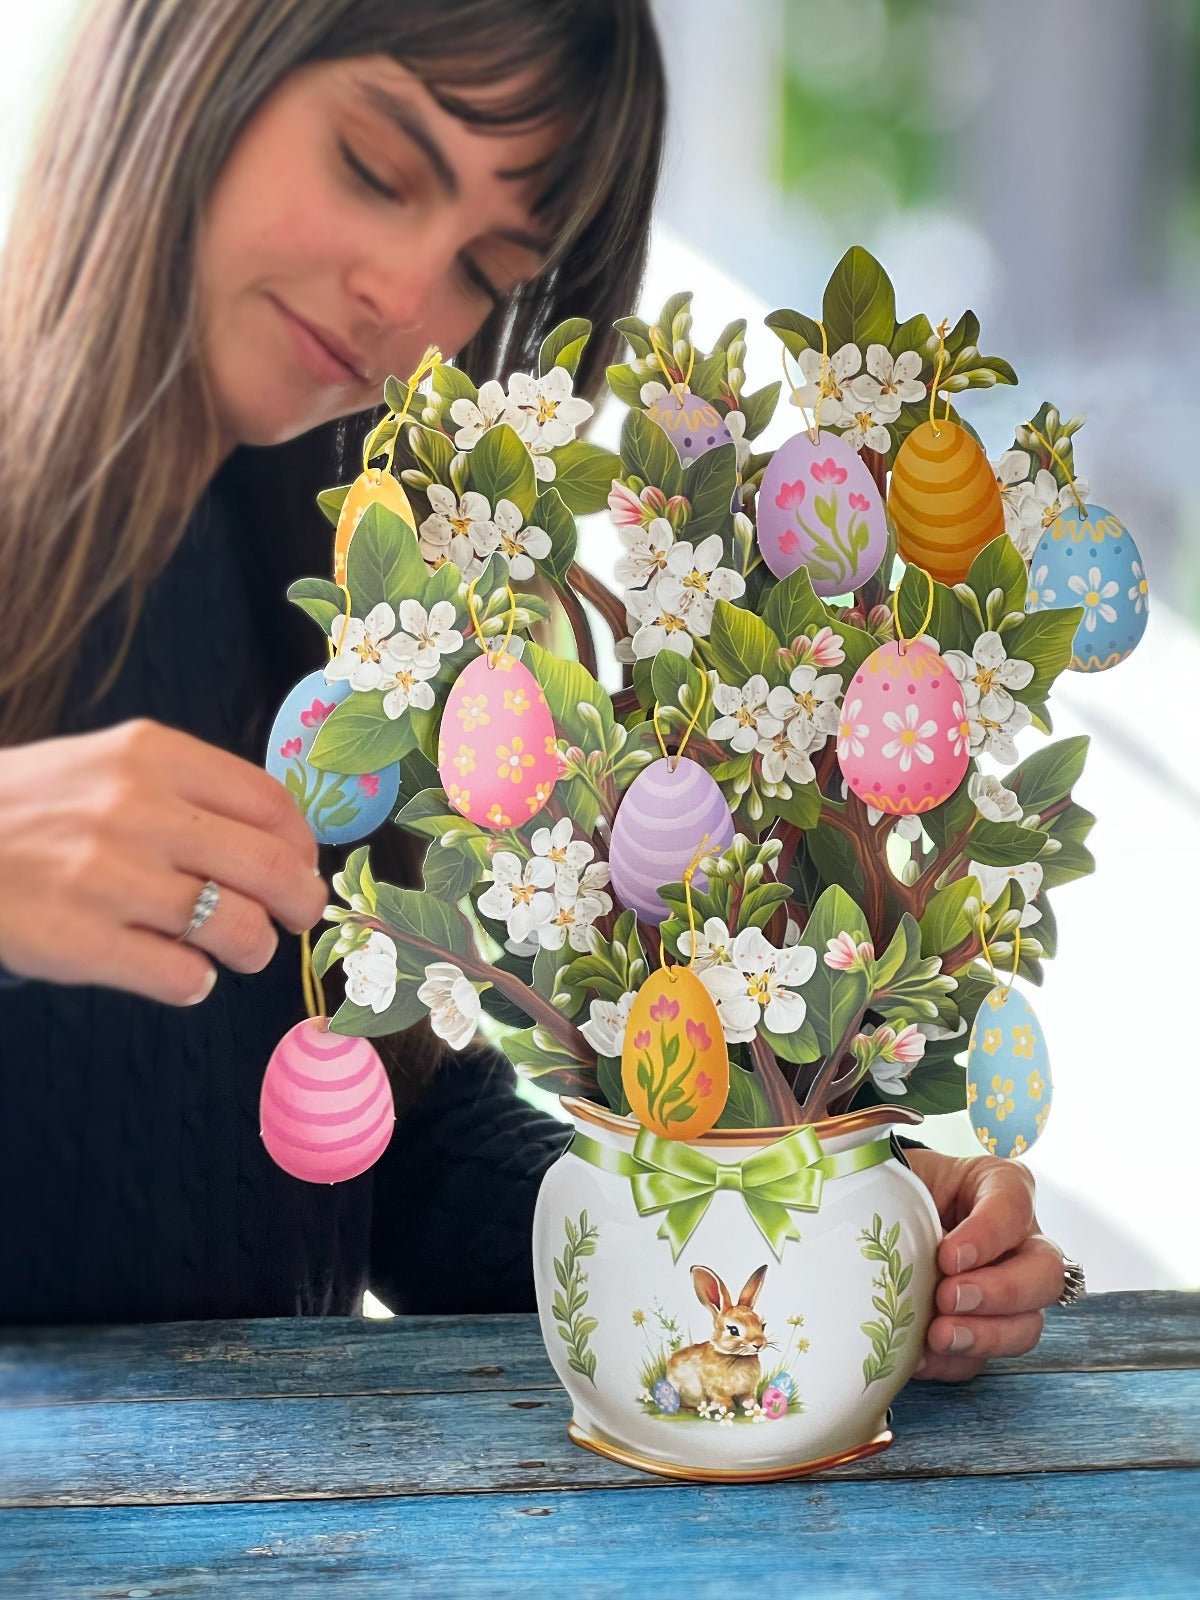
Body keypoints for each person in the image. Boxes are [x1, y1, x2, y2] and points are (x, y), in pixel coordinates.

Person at [0, 0, 1070, 1378]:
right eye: (376, 168)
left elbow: (396, 1149)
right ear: (192, 56)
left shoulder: (329, 592)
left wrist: (797, 1224)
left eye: (489, 272)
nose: (406, 296)